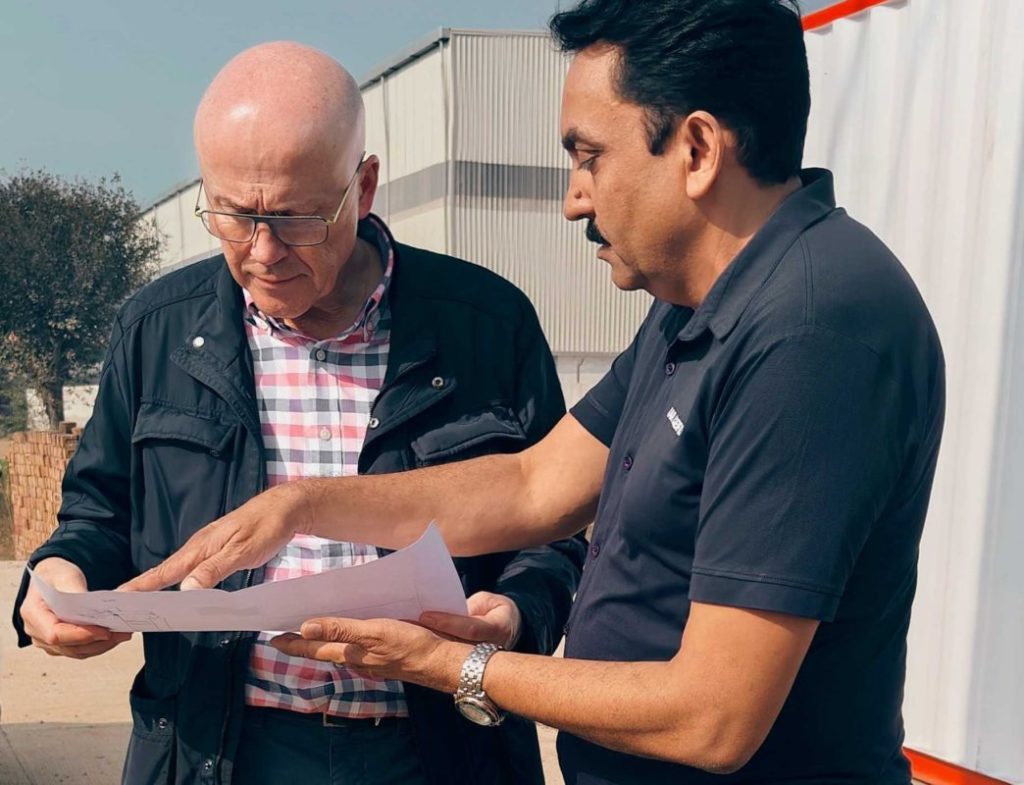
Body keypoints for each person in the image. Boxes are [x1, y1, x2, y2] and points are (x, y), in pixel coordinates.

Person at [125, 1, 948, 784]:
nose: (572, 199)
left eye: (590, 156)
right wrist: (303, 505)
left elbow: (713, 716)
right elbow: (535, 484)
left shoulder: (810, 330)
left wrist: (451, 665)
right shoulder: (692, 310)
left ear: (697, 149)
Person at [12, 42, 585, 785]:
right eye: (232, 214)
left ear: (365, 186)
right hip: (218, 744)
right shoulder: (156, 329)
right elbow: (97, 513)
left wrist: (514, 611)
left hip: (435, 747)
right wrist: (59, 577)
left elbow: (555, 528)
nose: (262, 251)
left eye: (296, 218)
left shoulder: (485, 325)